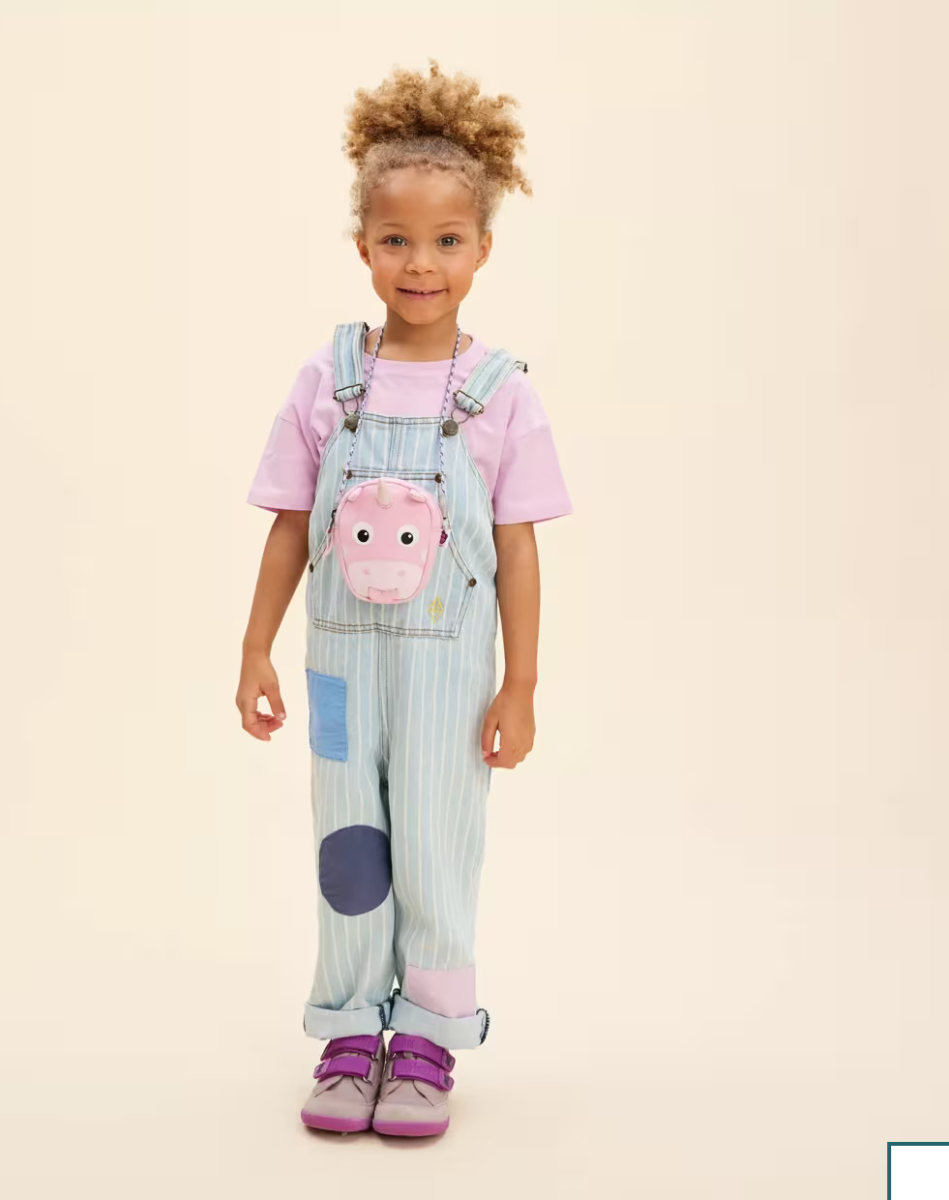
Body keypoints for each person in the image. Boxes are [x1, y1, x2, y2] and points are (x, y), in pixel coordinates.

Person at [236, 58, 573, 1138]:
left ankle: (426, 1036)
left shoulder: (501, 395)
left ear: (482, 248)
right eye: (396, 240)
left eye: (446, 241)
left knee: (434, 843)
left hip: (448, 675)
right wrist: (254, 650)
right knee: (349, 845)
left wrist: (521, 684)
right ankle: (347, 1029)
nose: (420, 263)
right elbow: (291, 525)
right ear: (362, 246)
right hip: (340, 671)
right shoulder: (327, 379)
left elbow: (517, 550)